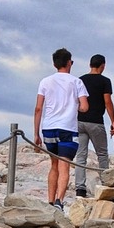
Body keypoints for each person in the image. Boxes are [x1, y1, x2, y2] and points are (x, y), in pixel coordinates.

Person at [34, 48, 89, 210]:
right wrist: (74, 106)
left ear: (54, 63)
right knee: (64, 165)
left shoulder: (45, 82)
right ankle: (59, 201)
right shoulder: (76, 82)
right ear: (68, 63)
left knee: (53, 165)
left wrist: (36, 133)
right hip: (68, 128)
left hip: (49, 127)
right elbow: (85, 107)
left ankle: (50, 201)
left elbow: (38, 108)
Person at [73, 54, 114, 198]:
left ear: (90, 64)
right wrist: (113, 121)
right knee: (102, 154)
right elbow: (107, 102)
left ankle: (80, 188)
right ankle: (105, 183)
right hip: (96, 121)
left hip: (80, 121)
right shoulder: (105, 81)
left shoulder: (80, 80)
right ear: (102, 65)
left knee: (81, 156)